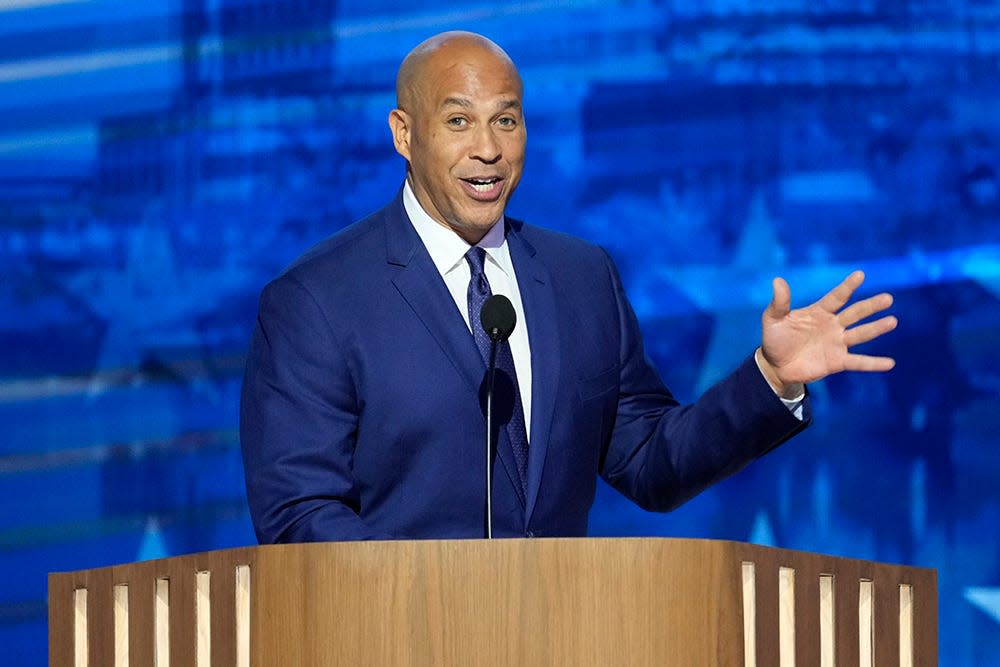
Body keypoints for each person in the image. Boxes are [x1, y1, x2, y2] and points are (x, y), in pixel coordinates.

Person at [240, 31, 897, 543]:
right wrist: (428, 614)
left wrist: (771, 378)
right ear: (404, 135)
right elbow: (301, 515)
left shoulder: (582, 278)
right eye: (459, 121)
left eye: (507, 120)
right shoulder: (318, 301)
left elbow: (649, 461)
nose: (489, 150)